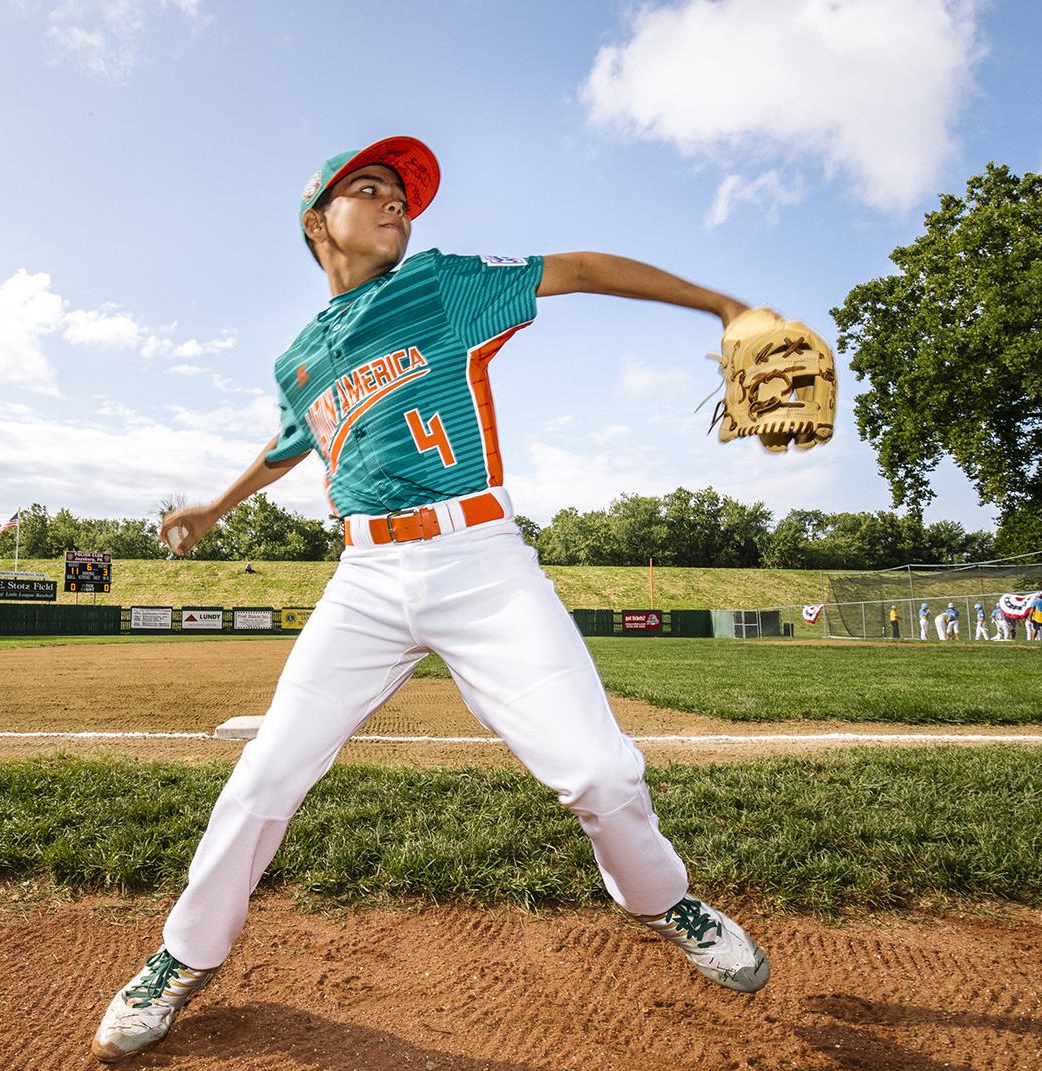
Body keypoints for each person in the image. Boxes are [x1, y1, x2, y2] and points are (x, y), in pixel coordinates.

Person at [90, 136, 771, 1063]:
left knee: (602, 774)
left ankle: (663, 899)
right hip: (365, 577)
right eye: (369, 190)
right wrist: (217, 502)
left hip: (479, 558)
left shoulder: (444, 282)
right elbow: (296, 437)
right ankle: (181, 956)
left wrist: (725, 305)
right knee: (264, 775)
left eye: (403, 196)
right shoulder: (297, 359)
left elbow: (576, 268)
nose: (396, 203)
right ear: (314, 222)